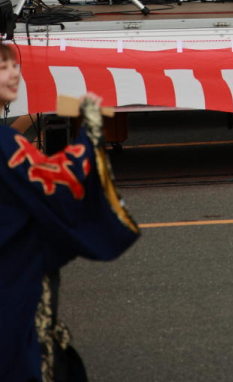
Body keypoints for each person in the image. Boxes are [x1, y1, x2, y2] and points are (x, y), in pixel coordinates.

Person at [0, 42, 139, 381]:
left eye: (14, 65)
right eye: (3, 67)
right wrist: (89, 136)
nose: (14, 72)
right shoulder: (5, 145)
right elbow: (60, 181)